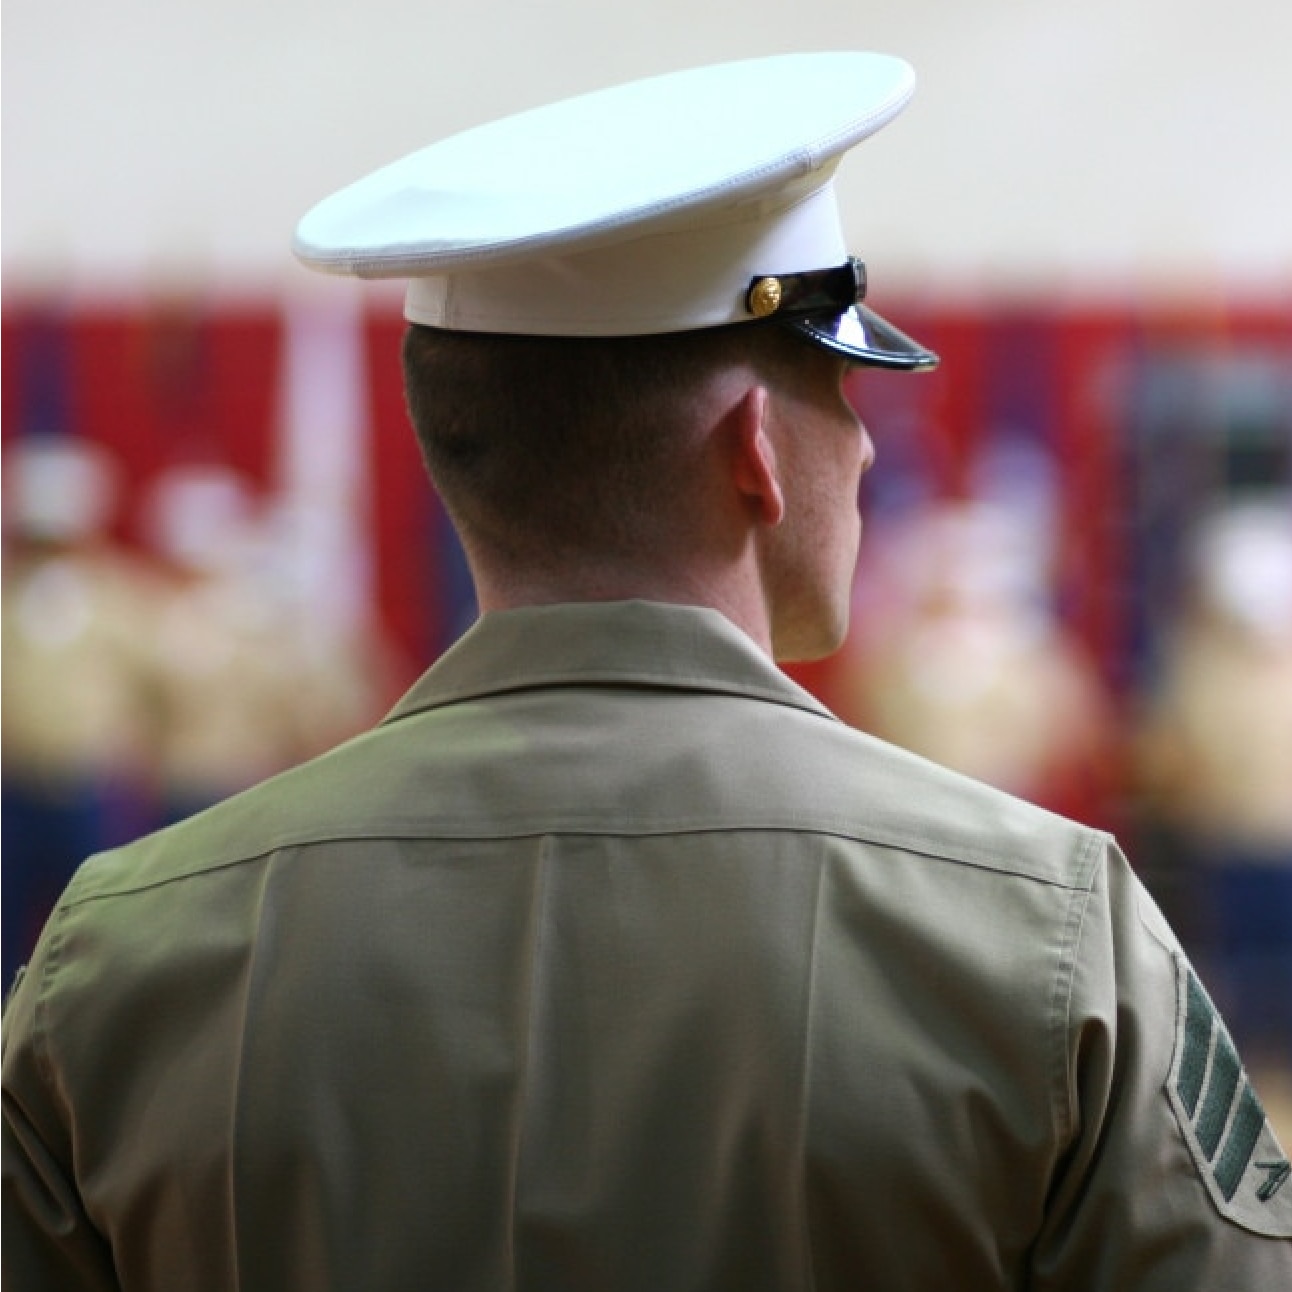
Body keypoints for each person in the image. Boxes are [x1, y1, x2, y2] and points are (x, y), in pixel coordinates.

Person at [3, 51, 1289, 1291]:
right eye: (840, 394)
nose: (865, 452)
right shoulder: (1041, 931)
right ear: (757, 449)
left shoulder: (119, 958)